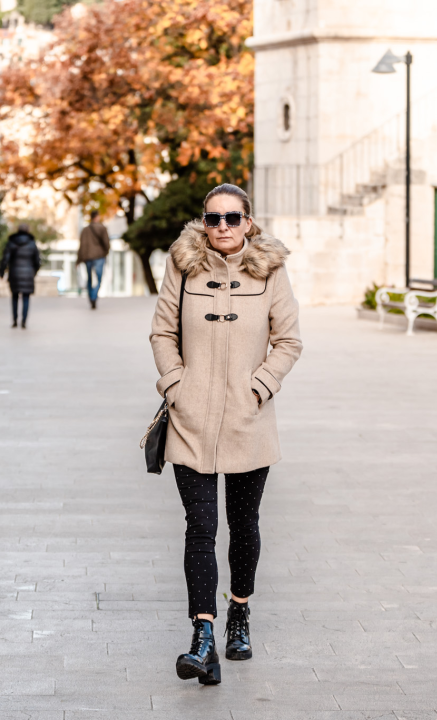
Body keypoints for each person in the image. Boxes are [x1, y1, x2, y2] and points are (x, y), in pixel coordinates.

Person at [149, 183, 302, 685]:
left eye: (231, 219)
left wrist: (260, 387)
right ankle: (201, 636)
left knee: (244, 526)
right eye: (212, 219)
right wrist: (176, 385)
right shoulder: (184, 263)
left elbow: (289, 339)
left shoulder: (271, 270)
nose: (221, 228)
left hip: (247, 420)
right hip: (191, 420)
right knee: (200, 528)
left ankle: (239, 612)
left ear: (248, 222)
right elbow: (162, 331)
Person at [0, 223, 41, 328]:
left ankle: (14, 320)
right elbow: (37, 261)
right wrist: (33, 272)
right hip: (28, 274)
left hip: (14, 273)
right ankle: (24, 321)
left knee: (14, 297)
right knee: (26, 298)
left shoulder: (11, 243)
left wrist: (1, 272)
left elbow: (5, 259)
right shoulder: (32, 244)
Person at [77, 211, 110, 309]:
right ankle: (94, 296)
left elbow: (81, 246)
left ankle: (91, 296)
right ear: (97, 217)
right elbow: (106, 243)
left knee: (89, 279)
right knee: (99, 278)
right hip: (99, 256)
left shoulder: (85, 230)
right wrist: (106, 252)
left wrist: (78, 260)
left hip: (88, 257)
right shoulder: (102, 228)